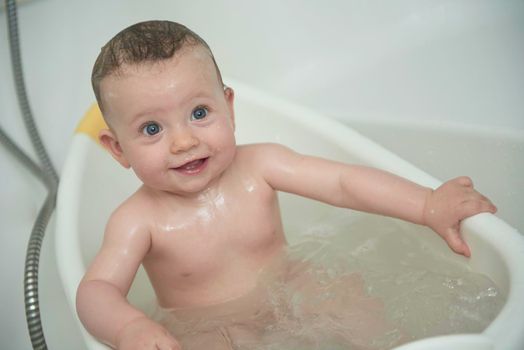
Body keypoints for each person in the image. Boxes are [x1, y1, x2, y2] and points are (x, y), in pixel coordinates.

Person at [76, 20, 497, 350]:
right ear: (118, 150)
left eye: (200, 113)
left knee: (354, 308)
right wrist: (130, 328)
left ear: (230, 107)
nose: (184, 141)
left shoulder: (261, 164)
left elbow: (343, 182)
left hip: (291, 283)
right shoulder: (137, 220)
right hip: (205, 327)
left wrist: (426, 205)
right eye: (152, 128)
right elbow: (98, 289)